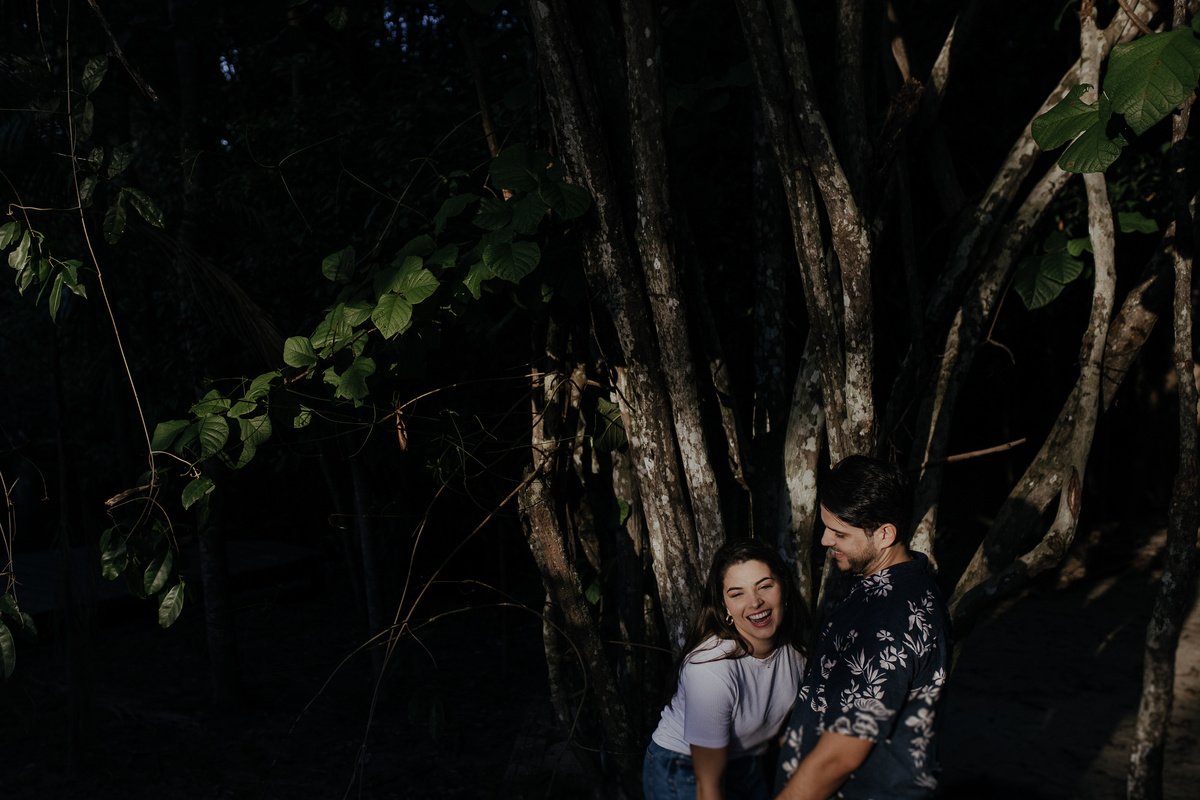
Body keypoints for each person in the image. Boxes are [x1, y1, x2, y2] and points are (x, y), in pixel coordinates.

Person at [774, 455, 952, 800]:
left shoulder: (887, 621)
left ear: (885, 534)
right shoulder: (905, 583)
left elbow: (839, 756)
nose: (826, 540)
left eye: (839, 532)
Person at [644, 538, 811, 800]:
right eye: (737, 593)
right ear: (725, 607)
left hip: (747, 761)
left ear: (784, 588)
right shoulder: (710, 670)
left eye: (765, 586)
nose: (755, 602)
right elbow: (708, 785)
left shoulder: (796, 648)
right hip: (685, 767)